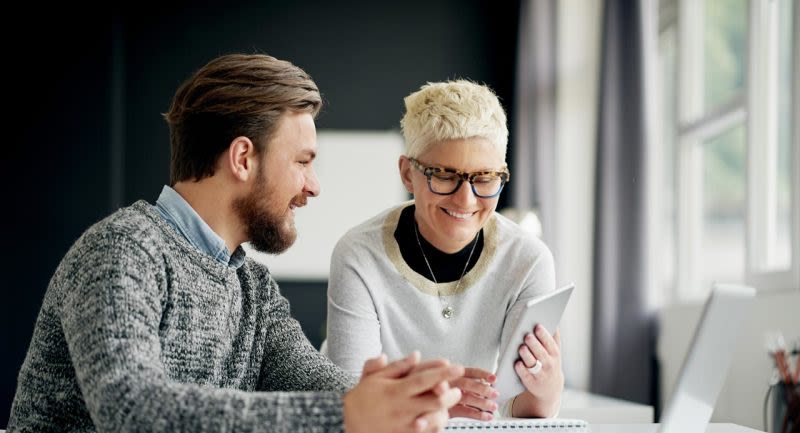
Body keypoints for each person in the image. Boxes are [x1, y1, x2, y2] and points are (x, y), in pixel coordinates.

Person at [7, 53, 465, 433]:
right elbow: (132, 411)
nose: (314, 186)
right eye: (303, 161)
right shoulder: (123, 250)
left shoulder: (252, 287)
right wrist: (346, 413)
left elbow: (319, 384)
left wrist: (406, 399)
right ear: (243, 158)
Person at [325, 80, 563, 420]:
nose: (465, 200)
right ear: (408, 174)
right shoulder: (358, 255)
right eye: (444, 176)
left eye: (484, 178)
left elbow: (523, 415)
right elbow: (352, 405)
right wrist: (438, 402)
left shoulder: (529, 260)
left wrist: (548, 390)